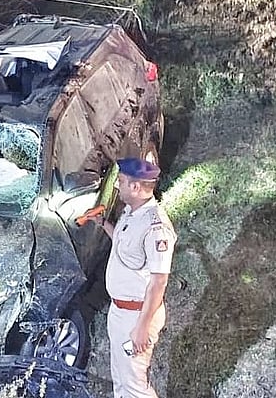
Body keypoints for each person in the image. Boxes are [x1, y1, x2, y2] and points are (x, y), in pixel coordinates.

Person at [101, 158, 177, 398]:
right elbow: (126, 248)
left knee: (135, 386)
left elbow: (159, 282)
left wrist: (142, 328)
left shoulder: (156, 228)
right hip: (120, 313)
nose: (116, 187)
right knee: (120, 380)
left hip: (136, 316)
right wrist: (103, 224)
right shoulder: (132, 212)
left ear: (135, 187)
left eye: (120, 182)